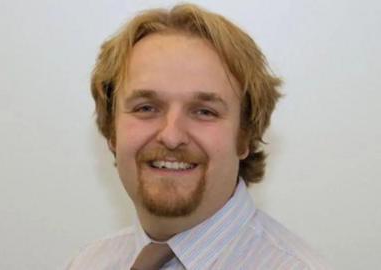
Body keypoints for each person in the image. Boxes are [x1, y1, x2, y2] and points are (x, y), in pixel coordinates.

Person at [68, 3, 329, 269]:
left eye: (204, 112)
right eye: (146, 108)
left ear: (244, 136)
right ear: (112, 130)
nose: (171, 136)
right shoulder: (89, 263)